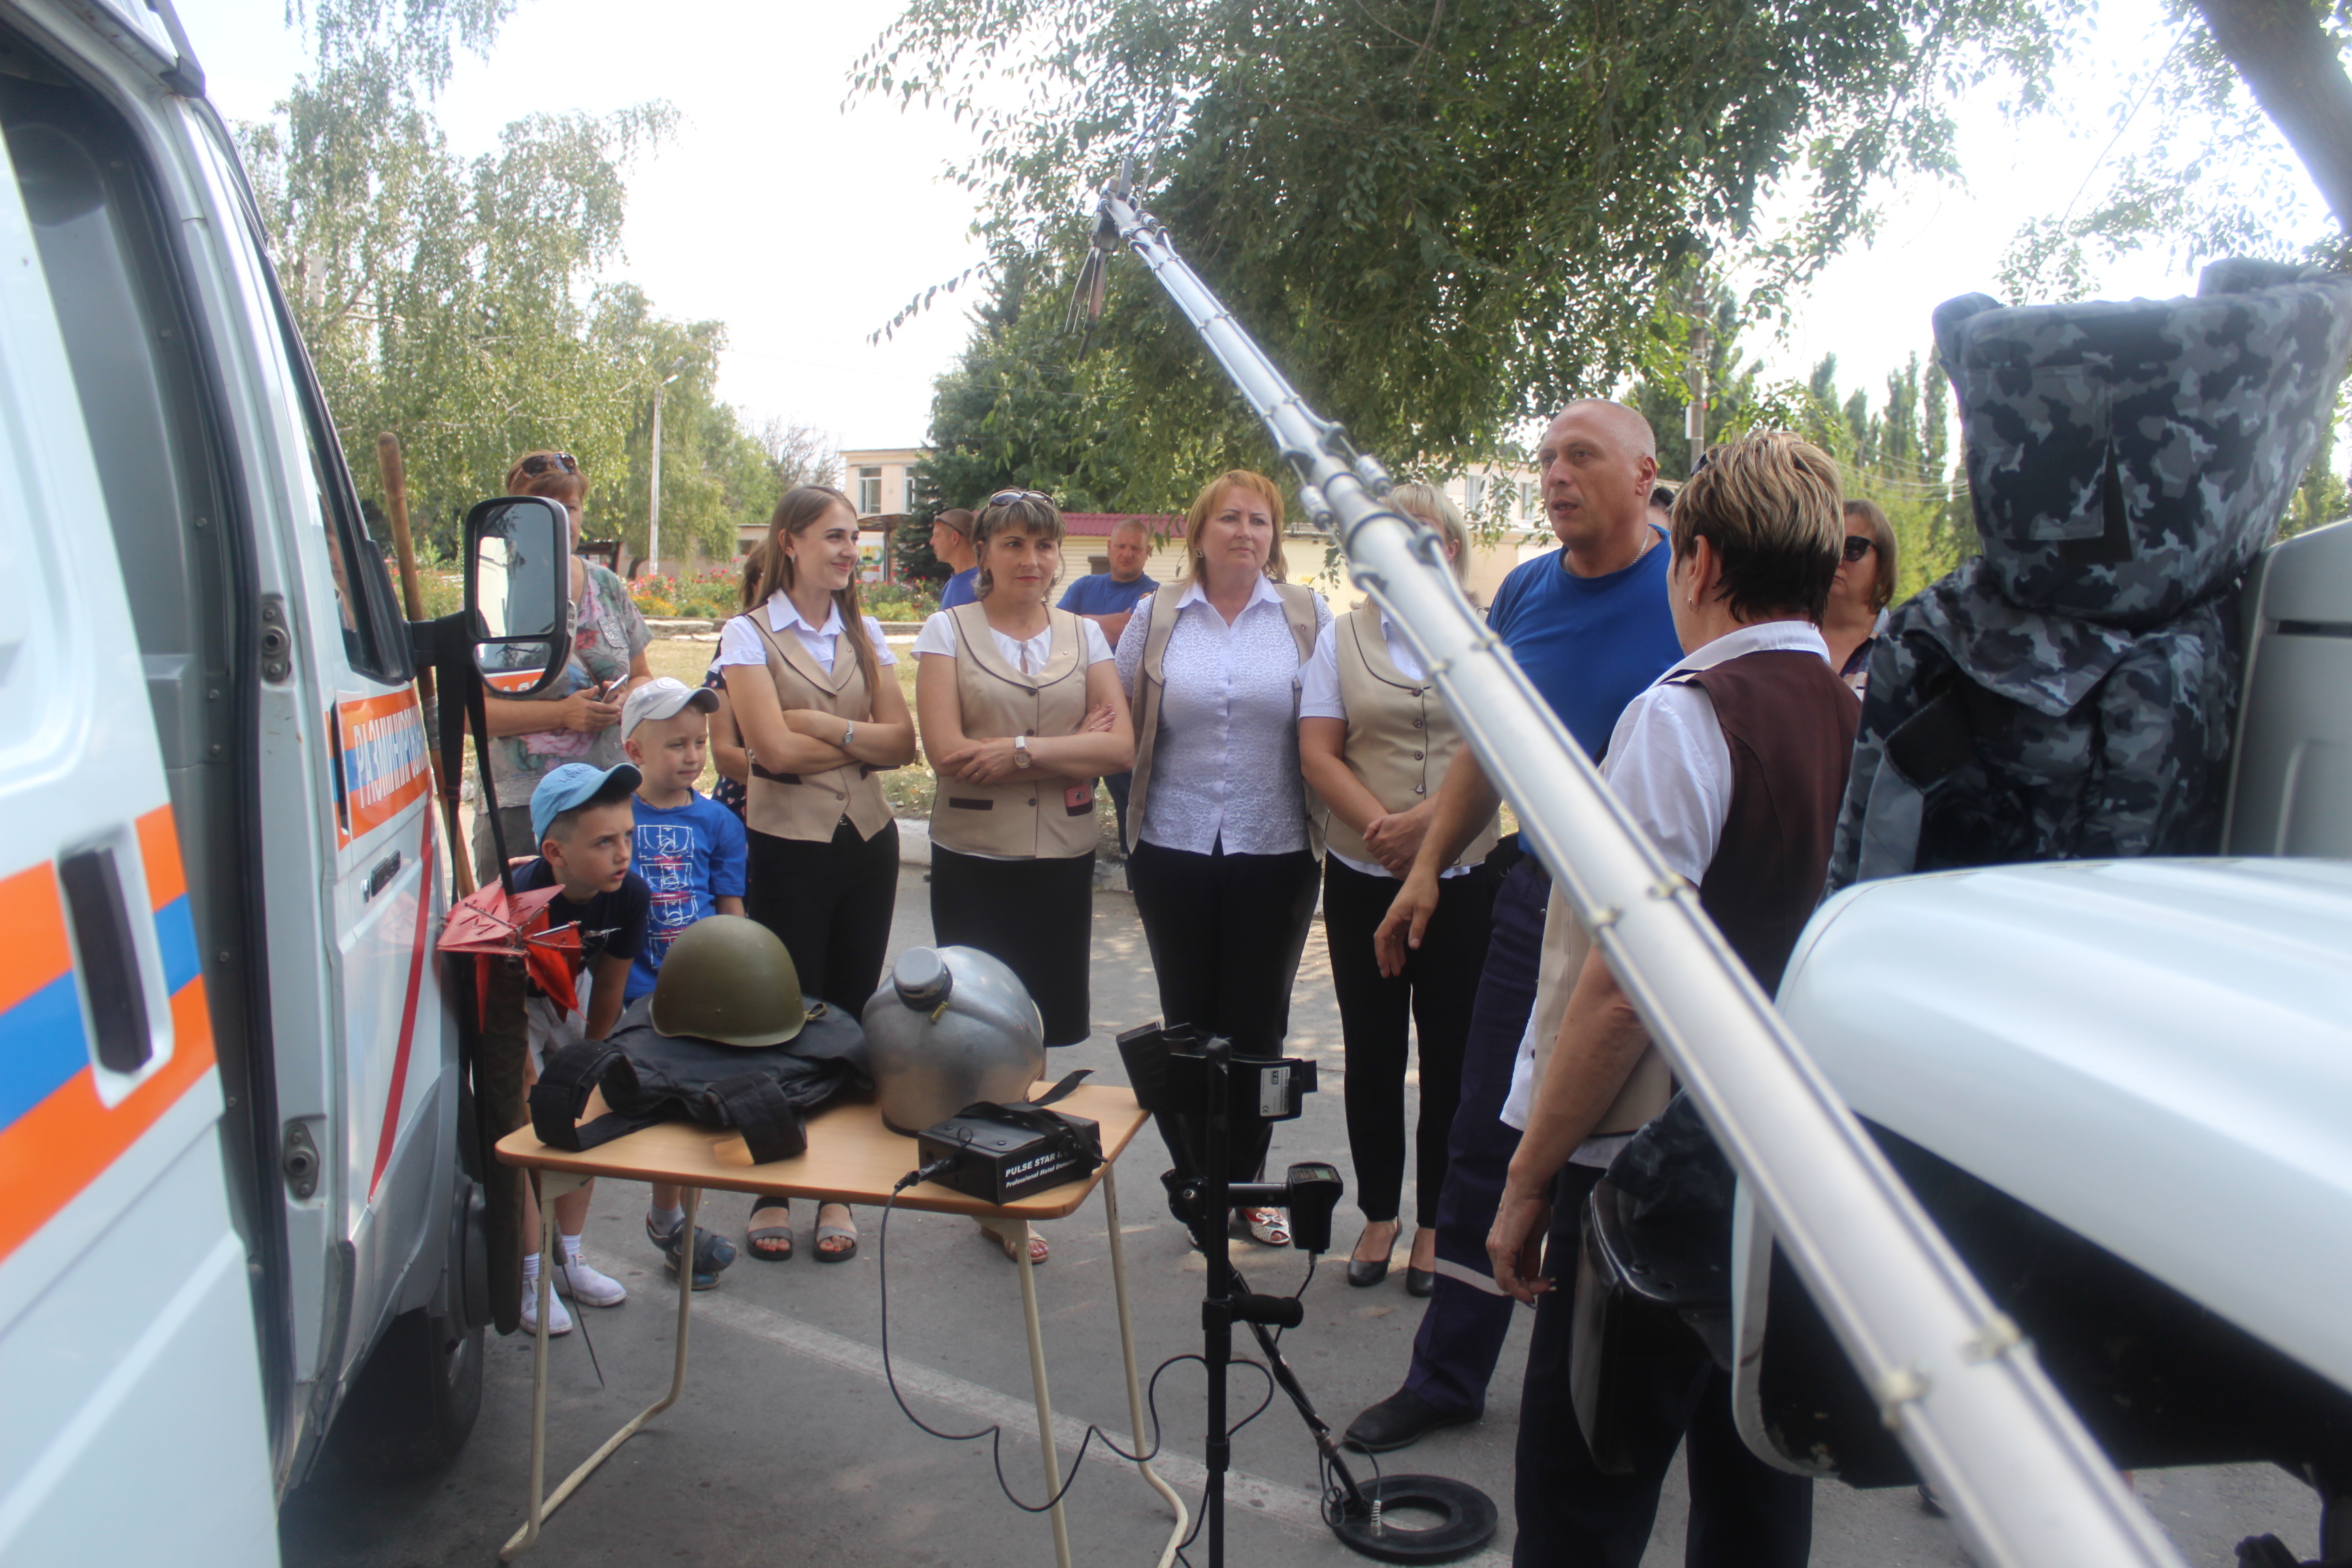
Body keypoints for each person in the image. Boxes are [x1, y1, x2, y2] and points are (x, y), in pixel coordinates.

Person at [1491, 431, 1857, 1567]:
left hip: (1651, 1183)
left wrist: (1525, 1177)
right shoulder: (1855, 713)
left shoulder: (1688, 713)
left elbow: (1622, 995)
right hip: (1793, 1169)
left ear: (1692, 563)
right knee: (1756, 1487)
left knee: (1583, 1493)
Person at [1343, 402, 1686, 1453]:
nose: (1555, 474)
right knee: (1483, 1141)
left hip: (1655, 925)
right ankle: (1446, 1377)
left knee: (1631, 1162)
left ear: (1644, 474)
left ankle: (1619, 1394)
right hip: (1532, 900)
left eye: (1581, 455)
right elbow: (1488, 746)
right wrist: (1430, 871)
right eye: (1545, 458)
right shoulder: (1531, 588)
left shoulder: (1686, 592)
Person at [915, 490, 1135, 1264]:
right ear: (984, 554)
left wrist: (1015, 752)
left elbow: (1120, 751)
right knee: (979, 1033)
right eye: (1012, 545)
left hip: (1061, 858)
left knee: (1038, 1032)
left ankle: (1020, 1167)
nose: (1031, 561)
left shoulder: (1083, 635)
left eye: (1043, 547)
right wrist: (1069, 738)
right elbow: (945, 751)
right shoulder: (949, 629)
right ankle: (991, 1195)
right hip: (976, 856)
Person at [1115, 470, 1330, 1245]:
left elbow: (1334, 724)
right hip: (1172, 846)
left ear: (1275, 537)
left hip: (1277, 851)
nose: (1246, 531)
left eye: (1261, 521)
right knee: (1187, 1024)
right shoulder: (1157, 614)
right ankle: (1199, 1181)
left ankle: (1248, 1185)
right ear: (1200, 531)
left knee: (1258, 1028)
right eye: (1230, 518)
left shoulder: (1306, 615)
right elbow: (1120, 720)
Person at [1297, 482, 1499, 1296]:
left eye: (1427, 539)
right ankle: (1379, 1213)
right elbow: (1319, 752)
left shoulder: (1486, 639)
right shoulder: (1339, 638)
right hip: (1359, 877)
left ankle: (1435, 1223)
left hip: (1464, 876)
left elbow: (1497, 750)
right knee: (1374, 1053)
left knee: (1454, 1057)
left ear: (1450, 551)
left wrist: (1426, 833)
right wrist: (1385, 830)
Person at [717, 484, 919, 1264]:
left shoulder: (865, 635)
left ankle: (833, 1183)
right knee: (784, 1011)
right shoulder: (749, 635)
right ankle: (775, 1182)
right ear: (790, 542)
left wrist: (821, 725)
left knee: (844, 1011)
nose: (847, 550)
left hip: (866, 842)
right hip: (788, 845)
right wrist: (851, 739)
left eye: (854, 537)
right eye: (834, 536)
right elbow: (771, 752)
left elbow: (904, 745)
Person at [512, 762, 652, 1336]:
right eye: (603, 842)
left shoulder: (628, 893)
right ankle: (528, 1275)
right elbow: (503, 1018)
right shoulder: (521, 904)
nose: (622, 853)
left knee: (584, 1117)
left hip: (579, 987)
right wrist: (532, 1086)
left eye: (627, 837)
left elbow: (612, 987)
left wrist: (588, 1070)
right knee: (523, 1128)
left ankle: (569, 1256)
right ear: (555, 852)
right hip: (513, 1001)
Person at [619, 677, 749, 1289]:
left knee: (686, 1112)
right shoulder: (615, 815)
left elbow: (730, 908)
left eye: (699, 743)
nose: (694, 756)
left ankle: (671, 1222)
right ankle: (562, 1248)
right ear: (635, 751)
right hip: (625, 994)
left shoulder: (719, 821)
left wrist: (742, 977)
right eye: (676, 745)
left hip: (694, 993)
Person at [473, 451, 652, 883]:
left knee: (609, 936)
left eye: (569, 507)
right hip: (523, 813)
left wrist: (630, 698)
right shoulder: (490, 590)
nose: (561, 518)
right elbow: (467, 714)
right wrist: (562, 714)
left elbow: (643, 672)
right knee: (528, 941)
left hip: (607, 807)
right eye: (545, 506)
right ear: (513, 516)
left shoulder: (606, 585)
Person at [1056, 517, 1160, 851]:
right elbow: (1056, 631)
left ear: (1147, 554)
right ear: (1109, 548)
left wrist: (1083, 622)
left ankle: (1136, 867)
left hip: (1126, 712)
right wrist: (1106, 623)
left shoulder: (1153, 595)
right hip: (1078, 706)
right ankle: (1067, 854)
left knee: (1129, 796)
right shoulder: (1084, 587)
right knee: (1070, 787)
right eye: (1121, 546)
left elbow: (1125, 630)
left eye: (1136, 548)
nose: (1127, 553)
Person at [1824, 497, 1897, 697]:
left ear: (1882, 565)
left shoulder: (1901, 648)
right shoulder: (1786, 634)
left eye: (1853, 548)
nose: (1838, 558)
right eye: (1830, 544)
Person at [932, 506, 981, 610]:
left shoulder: (984, 585)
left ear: (955, 538)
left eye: (937, 536)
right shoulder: (949, 586)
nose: (932, 542)